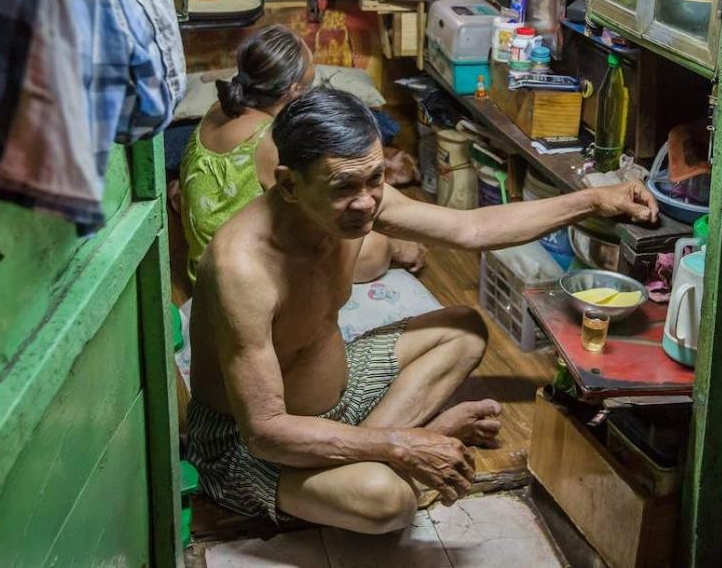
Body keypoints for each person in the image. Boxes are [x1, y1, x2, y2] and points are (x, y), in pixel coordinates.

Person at [186, 87, 659, 533]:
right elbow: (265, 433)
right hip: (252, 446)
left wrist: (594, 199)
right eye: (345, 186)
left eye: (376, 178)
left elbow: (471, 229)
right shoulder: (241, 270)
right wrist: (402, 445)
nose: (368, 201)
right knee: (387, 503)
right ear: (289, 185)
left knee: (464, 330)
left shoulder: (359, 197)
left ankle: (382, 454)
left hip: (342, 396)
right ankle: (395, 454)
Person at [176, 25, 423, 283]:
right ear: (293, 91)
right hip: (237, 277)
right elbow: (314, 221)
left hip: (204, 263)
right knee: (376, 248)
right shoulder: (268, 141)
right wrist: (395, 243)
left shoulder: (221, 106)